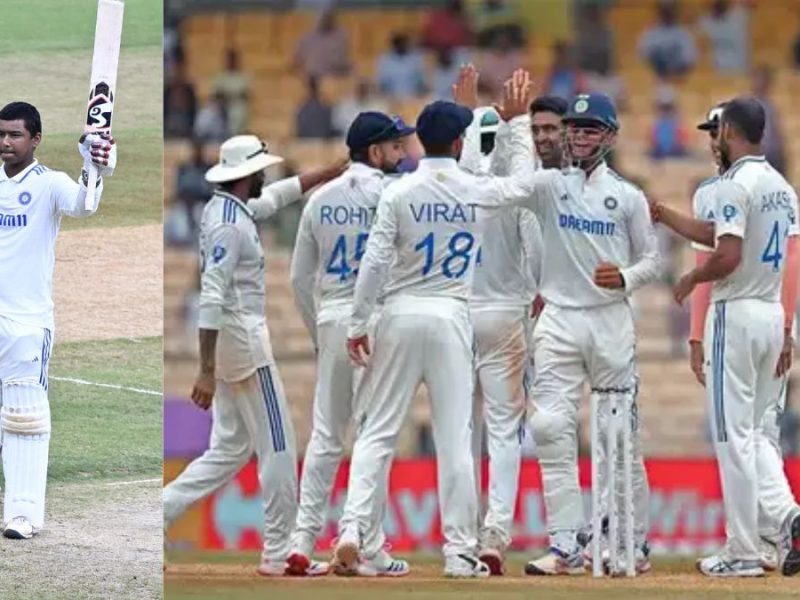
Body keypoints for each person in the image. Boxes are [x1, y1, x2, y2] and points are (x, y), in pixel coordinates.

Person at [334, 72, 537, 578]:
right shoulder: (474, 187)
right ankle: (459, 551)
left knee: (377, 432)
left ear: (421, 140)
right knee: (454, 439)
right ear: (459, 141)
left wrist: (359, 322)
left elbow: (375, 263)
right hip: (451, 316)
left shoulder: (399, 192)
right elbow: (523, 185)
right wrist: (516, 125)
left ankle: (353, 530)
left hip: (400, 312)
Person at [486, 93, 660, 576]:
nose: (580, 137)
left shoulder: (628, 196)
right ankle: (565, 545)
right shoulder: (547, 185)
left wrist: (625, 278)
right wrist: (505, 129)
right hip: (558, 318)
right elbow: (500, 191)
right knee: (547, 428)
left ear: (609, 136)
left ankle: (629, 542)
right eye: (575, 129)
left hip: (609, 321)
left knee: (618, 436)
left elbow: (652, 260)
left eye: (590, 129)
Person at [161, 134, 346, 576]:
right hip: (241, 341)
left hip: (233, 339)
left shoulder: (229, 209)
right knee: (278, 445)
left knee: (230, 448)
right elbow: (212, 295)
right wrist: (204, 370)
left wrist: (329, 171)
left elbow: (278, 196)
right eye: (260, 168)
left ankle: (160, 511)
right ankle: (280, 552)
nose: (266, 174)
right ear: (246, 175)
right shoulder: (230, 225)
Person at [649, 97, 800, 577]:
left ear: (729, 131)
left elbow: (727, 254)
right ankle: (789, 519)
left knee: (733, 436)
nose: (712, 140)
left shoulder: (730, 185)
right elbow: (720, 232)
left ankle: (741, 549)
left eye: (716, 132)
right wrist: (667, 215)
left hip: (734, 313)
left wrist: (694, 280)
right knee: (754, 435)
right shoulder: (781, 186)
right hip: (770, 313)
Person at [287, 112, 416, 577]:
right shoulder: (396, 196)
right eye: (395, 148)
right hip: (375, 321)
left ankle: (301, 541)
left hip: (331, 318)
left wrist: (316, 329)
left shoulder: (320, 200)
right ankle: (361, 538)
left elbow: (299, 277)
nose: (402, 155)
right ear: (375, 152)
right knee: (373, 434)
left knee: (325, 433)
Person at [0, 101, 116, 539]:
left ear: (35, 139)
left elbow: (85, 204)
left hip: (27, 322)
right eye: (1, 134)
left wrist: (94, 162)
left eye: (15, 135)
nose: (6, 142)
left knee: (24, 418)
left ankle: (22, 515)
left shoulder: (49, 184)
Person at [453, 84, 545, 574]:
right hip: (507, 313)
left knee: (460, 427)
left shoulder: (457, 185)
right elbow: (535, 254)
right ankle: (495, 532)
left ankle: (462, 535)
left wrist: (474, 113)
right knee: (505, 430)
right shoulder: (512, 190)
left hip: (458, 312)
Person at [637, 0, 697, 78]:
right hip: (656, 81)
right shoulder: (650, 34)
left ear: (675, 11)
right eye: (664, 10)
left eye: (670, 10)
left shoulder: (684, 35)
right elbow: (644, 58)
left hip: (679, 81)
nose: (667, 13)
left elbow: (689, 61)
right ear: (659, 11)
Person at [376, 33, 427, 99]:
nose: (403, 47)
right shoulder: (385, 60)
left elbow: (421, 82)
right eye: (400, 45)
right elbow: (382, 84)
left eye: (405, 44)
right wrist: (389, 98)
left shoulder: (415, 58)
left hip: (413, 98)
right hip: (391, 99)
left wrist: (419, 94)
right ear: (395, 45)